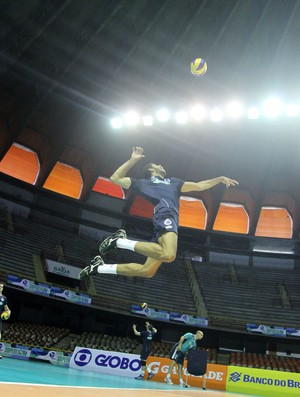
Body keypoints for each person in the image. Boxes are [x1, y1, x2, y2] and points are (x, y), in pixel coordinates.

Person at [78, 146, 238, 280]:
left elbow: (199, 186)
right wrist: (133, 160)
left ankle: (99, 268)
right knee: (169, 255)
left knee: (147, 271)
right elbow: (115, 178)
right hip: (165, 214)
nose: (161, 165)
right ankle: (119, 242)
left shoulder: (174, 182)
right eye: (157, 164)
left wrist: (219, 178)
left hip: (169, 218)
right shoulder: (143, 183)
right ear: (150, 169)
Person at [0, 282, 11, 359]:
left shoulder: (4, 298)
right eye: (0, 286)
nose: (1, 287)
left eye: (2, 286)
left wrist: (9, 312)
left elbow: (6, 309)